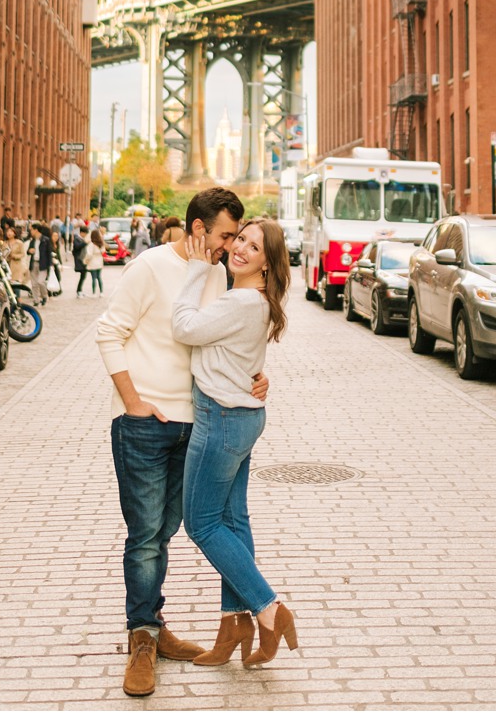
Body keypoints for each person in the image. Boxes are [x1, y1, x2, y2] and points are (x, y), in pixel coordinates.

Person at [95, 187, 266, 697]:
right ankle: (141, 638)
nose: (230, 245)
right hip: (144, 422)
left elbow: (227, 338)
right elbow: (109, 332)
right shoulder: (149, 267)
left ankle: (155, 625)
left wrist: (257, 377)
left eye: (237, 237)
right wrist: (132, 401)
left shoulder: (218, 273)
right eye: (224, 235)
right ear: (198, 230)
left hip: (198, 424)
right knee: (146, 534)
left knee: (169, 528)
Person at [174, 218, 298, 669]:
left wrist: (193, 268)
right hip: (243, 415)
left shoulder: (242, 300)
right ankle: (234, 622)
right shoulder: (256, 300)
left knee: (201, 524)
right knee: (233, 520)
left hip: (221, 419)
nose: (241, 249)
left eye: (253, 247)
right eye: (240, 239)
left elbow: (184, 328)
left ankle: (269, 609)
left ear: (267, 264)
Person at [85, 229, 107, 297]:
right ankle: (101, 292)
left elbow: (89, 254)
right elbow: (103, 251)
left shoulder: (91, 244)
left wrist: (86, 261)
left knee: (93, 278)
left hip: (93, 262)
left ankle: (94, 293)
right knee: (99, 277)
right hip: (99, 261)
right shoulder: (101, 243)